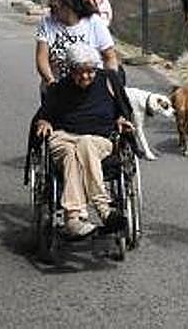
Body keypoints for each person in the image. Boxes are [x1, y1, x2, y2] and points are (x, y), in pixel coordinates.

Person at [35, 43, 135, 237]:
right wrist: (45, 122)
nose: (85, 76)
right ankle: (97, 212)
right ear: (71, 70)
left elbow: (123, 110)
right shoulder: (60, 88)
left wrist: (122, 119)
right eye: (79, 72)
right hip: (63, 138)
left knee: (84, 143)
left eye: (90, 72)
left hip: (98, 140)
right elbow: (45, 115)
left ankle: (76, 216)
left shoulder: (108, 81)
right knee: (72, 153)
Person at [35, 0, 118, 87]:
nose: (50, 4)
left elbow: (110, 57)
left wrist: (110, 84)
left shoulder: (94, 22)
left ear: (68, 3)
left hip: (89, 87)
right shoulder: (47, 22)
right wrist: (51, 82)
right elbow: (42, 58)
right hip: (58, 87)